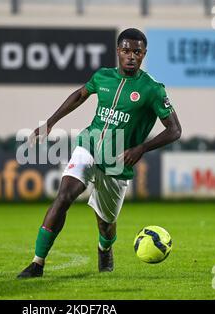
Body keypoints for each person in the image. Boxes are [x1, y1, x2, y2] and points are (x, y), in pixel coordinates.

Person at [17, 28, 182, 278]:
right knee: (65, 195)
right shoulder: (103, 77)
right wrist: (50, 122)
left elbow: (175, 130)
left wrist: (141, 148)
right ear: (118, 51)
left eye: (137, 52)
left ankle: (104, 248)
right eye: (126, 50)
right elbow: (80, 95)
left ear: (144, 54)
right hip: (90, 145)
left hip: (117, 161)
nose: (131, 56)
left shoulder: (152, 89)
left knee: (105, 225)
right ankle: (37, 263)